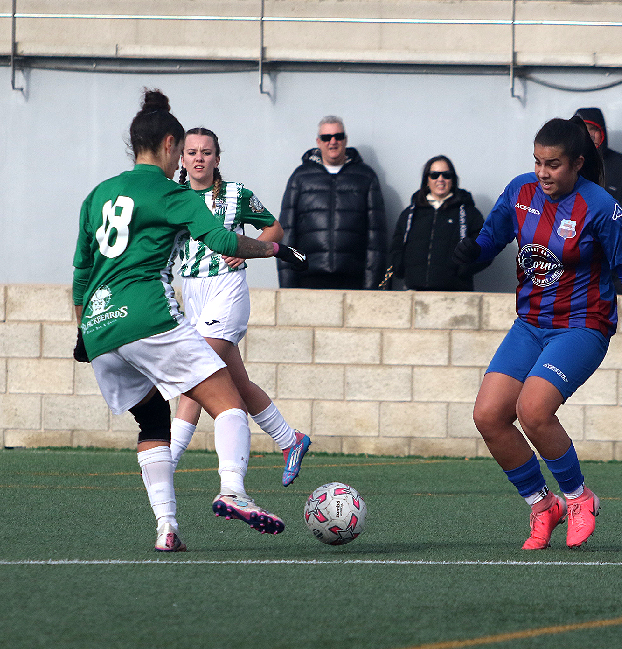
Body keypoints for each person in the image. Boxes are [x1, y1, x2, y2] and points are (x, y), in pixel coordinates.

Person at [72, 89, 307, 552]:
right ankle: (234, 491)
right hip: (146, 314)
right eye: (181, 149)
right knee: (228, 400)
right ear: (166, 145)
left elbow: (81, 271)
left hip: (99, 326)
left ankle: (167, 528)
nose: (184, 158)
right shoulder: (170, 193)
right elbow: (223, 239)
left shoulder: (98, 194)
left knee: (152, 420)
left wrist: (82, 327)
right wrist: (275, 249)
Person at [453, 117, 622, 550]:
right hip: (530, 325)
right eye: (537, 162)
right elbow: (491, 239)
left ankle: (578, 498)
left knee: (533, 410)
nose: (542, 173)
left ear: (577, 165)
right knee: (489, 416)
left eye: (553, 164)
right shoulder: (520, 192)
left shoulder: (601, 207)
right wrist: (471, 252)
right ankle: (540, 503)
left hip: (583, 326)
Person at [170, 127, 311, 486]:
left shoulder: (235, 194)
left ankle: (166, 462)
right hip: (192, 293)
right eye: (192, 152)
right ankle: (289, 440)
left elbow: (274, 229)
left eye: (206, 152)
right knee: (235, 381)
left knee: (197, 370)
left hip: (228, 290)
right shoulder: (173, 197)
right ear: (182, 159)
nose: (198, 158)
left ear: (217, 159)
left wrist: (243, 249)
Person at [277, 116, 386, 289]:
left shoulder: (365, 177)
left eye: (338, 136)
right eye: (327, 137)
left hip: (353, 281)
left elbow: (376, 238)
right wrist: (288, 288)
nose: (333, 142)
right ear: (318, 142)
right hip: (309, 279)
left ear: (345, 140)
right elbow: (287, 234)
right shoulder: (300, 178)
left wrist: (371, 288)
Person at [383, 155, 489, 291]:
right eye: (434, 175)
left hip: (455, 294)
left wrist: (464, 269)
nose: (441, 179)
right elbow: (396, 247)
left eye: (446, 175)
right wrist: (400, 266)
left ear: (453, 180)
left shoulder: (468, 214)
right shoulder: (410, 214)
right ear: (427, 179)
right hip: (415, 293)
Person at [573, 107, 622, 231]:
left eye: (593, 130)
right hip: (570, 241)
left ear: (602, 132)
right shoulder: (563, 164)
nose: (588, 135)